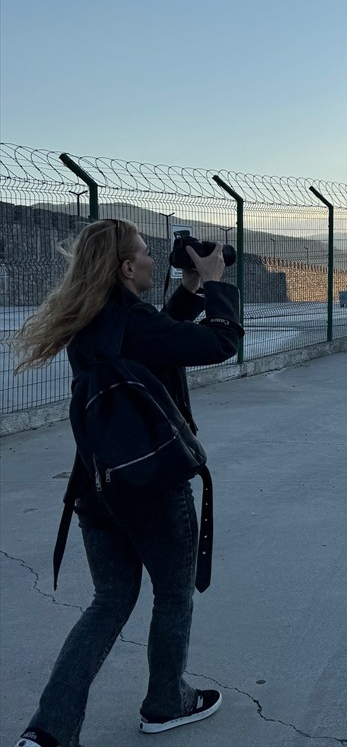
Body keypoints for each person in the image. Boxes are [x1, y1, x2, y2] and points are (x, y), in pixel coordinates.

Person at [12, 219, 243, 747]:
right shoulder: (132, 323)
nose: (150, 257)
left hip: (98, 486)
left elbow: (154, 338)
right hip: (153, 485)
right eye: (143, 251)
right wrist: (213, 283)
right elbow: (221, 342)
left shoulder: (93, 321)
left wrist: (187, 292)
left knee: (109, 601)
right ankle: (167, 701)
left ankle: (48, 731)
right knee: (174, 593)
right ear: (126, 267)